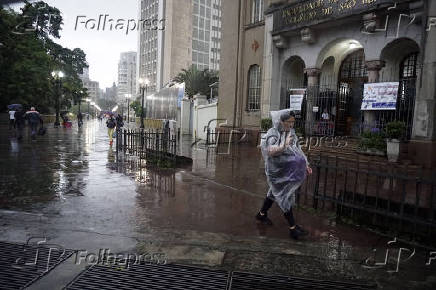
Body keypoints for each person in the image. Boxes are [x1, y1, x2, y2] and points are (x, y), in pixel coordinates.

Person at [257, 110, 312, 240]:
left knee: (274, 193)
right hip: (275, 170)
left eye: (293, 122)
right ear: (281, 121)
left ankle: (261, 214)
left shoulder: (291, 133)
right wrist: (283, 145)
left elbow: (298, 149)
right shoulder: (272, 133)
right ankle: (293, 228)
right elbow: (270, 151)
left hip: (287, 170)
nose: (291, 124)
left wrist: (306, 164)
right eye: (289, 122)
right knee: (284, 196)